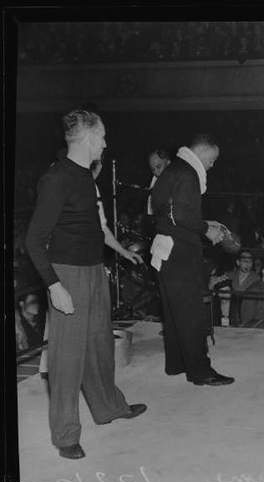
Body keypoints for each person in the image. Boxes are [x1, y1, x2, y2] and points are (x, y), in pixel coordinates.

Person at [25, 109, 147, 460]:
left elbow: (96, 226)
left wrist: (120, 251)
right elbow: (34, 241)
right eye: (103, 136)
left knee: (99, 345)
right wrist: (54, 286)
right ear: (90, 138)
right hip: (68, 274)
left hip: (94, 270)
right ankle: (65, 435)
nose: (106, 143)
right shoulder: (57, 178)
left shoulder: (85, 177)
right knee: (66, 358)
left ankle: (109, 407)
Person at [150, 134, 234, 386]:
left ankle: (176, 364)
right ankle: (200, 371)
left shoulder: (172, 170)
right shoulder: (188, 174)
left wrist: (201, 223)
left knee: (174, 311)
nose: (212, 165)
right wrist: (206, 229)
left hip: (164, 249)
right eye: (212, 160)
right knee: (192, 314)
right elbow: (182, 215)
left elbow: (168, 213)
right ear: (204, 154)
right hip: (180, 253)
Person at [146, 148, 172, 216]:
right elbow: (151, 213)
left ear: (168, 163)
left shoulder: (182, 179)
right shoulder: (154, 181)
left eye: (158, 167)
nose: (156, 173)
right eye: (153, 169)